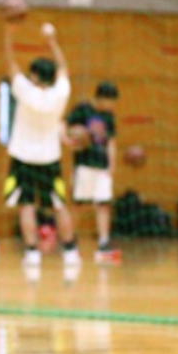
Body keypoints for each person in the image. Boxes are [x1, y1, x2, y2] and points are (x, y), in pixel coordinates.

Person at [1, 19, 79, 268]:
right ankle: (70, 251)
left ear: (34, 75)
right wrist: (52, 42)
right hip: (49, 157)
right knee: (58, 204)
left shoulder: (26, 91)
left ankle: (32, 252)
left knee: (26, 205)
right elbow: (64, 69)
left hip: (22, 157)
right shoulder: (60, 93)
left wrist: (9, 34)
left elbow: (10, 64)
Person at [67, 81, 120, 262]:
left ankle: (104, 242)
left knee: (103, 204)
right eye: (111, 101)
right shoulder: (83, 109)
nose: (112, 105)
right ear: (102, 98)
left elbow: (111, 141)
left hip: (102, 166)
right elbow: (67, 128)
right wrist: (77, 135)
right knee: (79, 205)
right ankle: (69, 239)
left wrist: (112, 165)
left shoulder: (109, 116)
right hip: (84, 165)